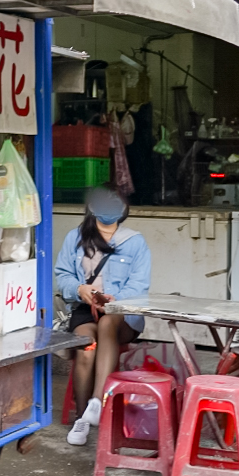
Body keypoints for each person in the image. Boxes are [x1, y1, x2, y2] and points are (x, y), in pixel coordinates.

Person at [54, 184, 151, 446]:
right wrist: (79, 289)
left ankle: (98, 400)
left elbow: (139, 287)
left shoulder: (135, 242)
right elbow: (62, 275)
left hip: (122, 315)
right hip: (84, 310)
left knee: (108, 320)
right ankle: (83, 417)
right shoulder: (76, 237)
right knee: (87, 346)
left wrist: (114, 300)